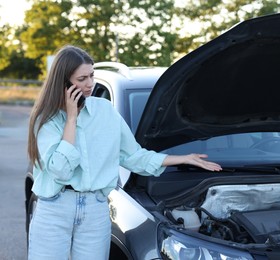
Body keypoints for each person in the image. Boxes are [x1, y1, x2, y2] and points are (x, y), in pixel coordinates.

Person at [27, 45, 222, 260]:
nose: (90, 84)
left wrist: (183, 158)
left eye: (92, 76)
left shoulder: (106, 112)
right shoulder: (46, 120)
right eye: (81, 79)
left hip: (95, 210)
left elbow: (132, 156)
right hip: (55, 209)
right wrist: (71, 119)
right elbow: (60, 171)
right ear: (63, 82)